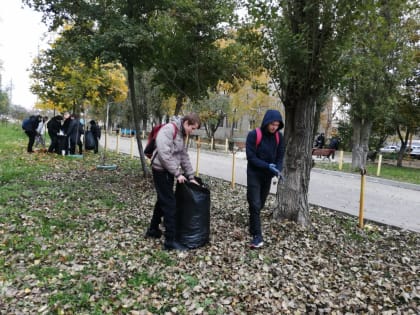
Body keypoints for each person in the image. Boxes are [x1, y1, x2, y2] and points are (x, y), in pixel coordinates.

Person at [145, 113, 201, 251]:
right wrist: (177, 173)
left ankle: (153, 229)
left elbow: (183, 156)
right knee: (170, 204)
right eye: (192, 128)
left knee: (162, 200)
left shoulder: (182, 134)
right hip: (160, 170)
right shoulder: (169, 130)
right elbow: (164, 155)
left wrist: (191, 177)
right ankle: (170, 241)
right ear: (186, 123)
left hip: (168, 171)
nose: (192, 131)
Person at [245, 109, 285, 249]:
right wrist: (267, 166)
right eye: (272, 124)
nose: (274, 127)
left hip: (267, 176)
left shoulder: (279, 137)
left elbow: (280, 157)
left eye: (277, 124)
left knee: (259, 204)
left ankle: (252, 225)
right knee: (255, 204)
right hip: (254, 173)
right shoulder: (254, 135)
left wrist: (278, 170)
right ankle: (257, 236)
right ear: (267, 122)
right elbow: (251, 158)